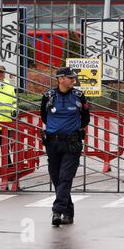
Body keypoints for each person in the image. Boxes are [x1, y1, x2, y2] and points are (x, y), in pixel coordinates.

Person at [40, 67, 90, 226]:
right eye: (70, 78)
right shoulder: (48, 96)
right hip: (52, 142)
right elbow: (44, 116)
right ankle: (68, 212)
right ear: (61, 79)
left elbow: (85, 118)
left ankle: (57, 210)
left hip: (72, 143)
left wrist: (72, 129)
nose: (73, 80)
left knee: (65, 177)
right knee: (56, 178)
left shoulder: (79, 96)